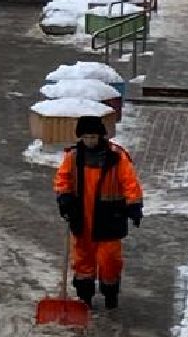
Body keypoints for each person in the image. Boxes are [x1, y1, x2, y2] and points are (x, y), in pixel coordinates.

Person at [53, 114, 144, 310]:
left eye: (93, 137)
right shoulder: (73, 157)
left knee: (109, 260)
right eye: (85, 137)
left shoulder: (116, 156)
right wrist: (65, 198)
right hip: (82, 217)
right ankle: (84, 297)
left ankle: (110, 294)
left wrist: (134, 205)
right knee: (82, 260)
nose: (89, 141)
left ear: (101, 136)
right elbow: (63, 179)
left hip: (109, 218)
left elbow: (130, 182)